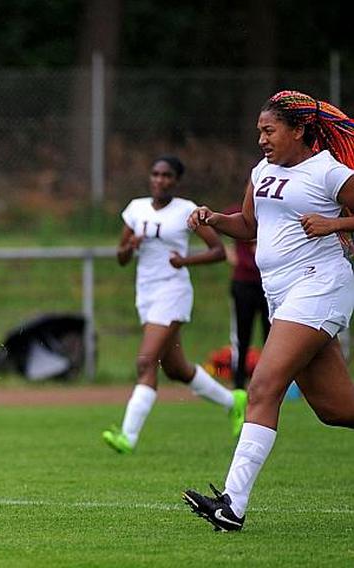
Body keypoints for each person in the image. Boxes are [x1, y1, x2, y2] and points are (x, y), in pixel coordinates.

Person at [183, 90, 354, 531]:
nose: (261, 138)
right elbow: (249, 226)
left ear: (298, 131)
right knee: (336, 409)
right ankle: (231, 505)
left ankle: (231, 506)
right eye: (259, 130)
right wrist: (214, 219)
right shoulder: (261, 172)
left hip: (319, 285)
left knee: (263, 387)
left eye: (269, 130)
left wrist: (336, 224)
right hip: (282, 295)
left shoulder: (328, 171)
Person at [102, 155, 245, 455]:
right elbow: (121, 258)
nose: (160, 180)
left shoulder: (186, 210)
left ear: (176, 181)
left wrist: (184, 260)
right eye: (155, 174)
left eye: (167, 175)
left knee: (145, 362)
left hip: (173, 292)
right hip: (147, 293)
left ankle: (127, 436)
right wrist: (130, 247)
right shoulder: (136, 209)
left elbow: (218, 251)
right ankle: (234, 402)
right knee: (177, 370)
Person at [224, 203, 271, 390]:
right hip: (244, 282)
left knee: (272, 337)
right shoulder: (238, 212)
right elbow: (215, 225)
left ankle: (270, 383)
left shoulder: (275, 209)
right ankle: (239, 384)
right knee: (242, 336)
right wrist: (230, 254)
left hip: (270, 282)